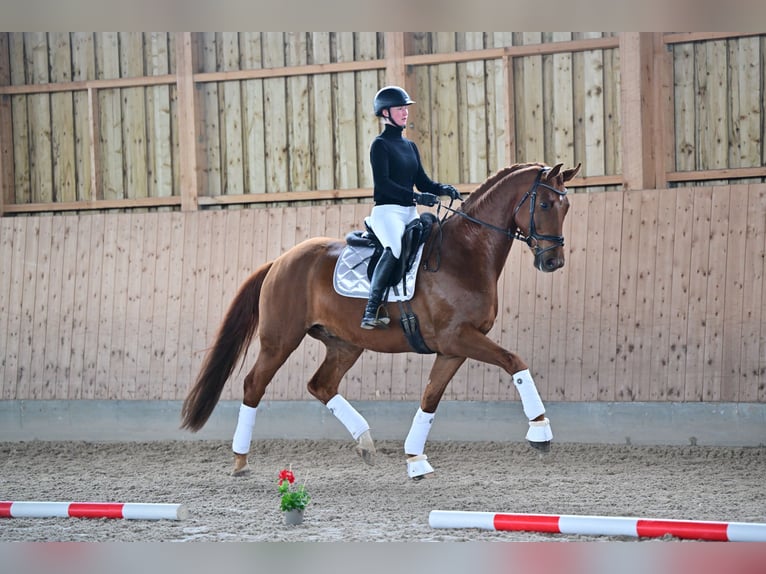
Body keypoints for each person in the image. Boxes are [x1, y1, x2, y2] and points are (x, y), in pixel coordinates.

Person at [360, 85, 462, 329]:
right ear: (385, 114)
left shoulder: (410, 146)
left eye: (406, 108)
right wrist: (417, 198)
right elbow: (384, 184)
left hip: (408, 212)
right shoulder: (380, 145)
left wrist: (442, 189)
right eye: (399, 109)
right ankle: (371, 309)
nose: (405, 112)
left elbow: (422, 181)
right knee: (394, 247)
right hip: (387, 212)